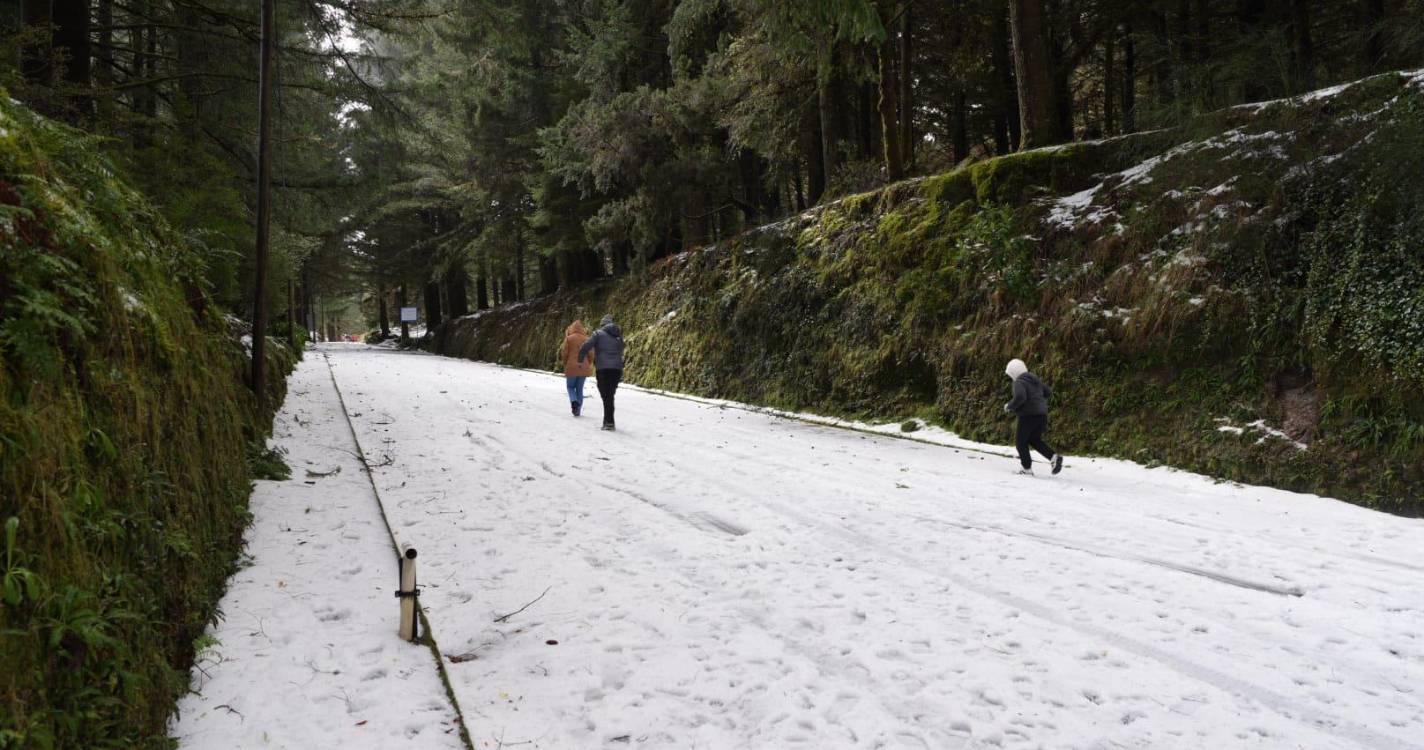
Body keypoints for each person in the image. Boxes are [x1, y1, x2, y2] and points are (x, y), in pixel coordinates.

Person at [1004, 358, 1064, 476]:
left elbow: (1020, 397)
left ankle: (1026, 468)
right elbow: (1048, 392)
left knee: (1021, 442)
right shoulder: (1035, 380)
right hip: (1041, 415)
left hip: (1028, 415)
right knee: (1034, 440)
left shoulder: (1019, 382)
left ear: (1014, 372)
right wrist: (1037, 401)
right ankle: (1053, 457)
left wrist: (1010, 406)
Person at [579, 314, 625, 431]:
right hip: (616, 369)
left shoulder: (598, 334)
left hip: (603, 368)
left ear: (603, 325)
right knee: (610, 395)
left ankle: (609, 422)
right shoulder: (618, 336)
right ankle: (608, 421)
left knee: (606, 395)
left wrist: (580, 359)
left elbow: (586, 346)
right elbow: (621, 350)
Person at [561, 320, 595, 417]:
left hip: (571, 366)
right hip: (583, 366)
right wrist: (588, 363)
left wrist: (565, 362)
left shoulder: (569, 339)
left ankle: (574, 401)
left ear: (572, 328)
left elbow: (564, 353)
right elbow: (591, 354)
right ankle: (578, 410)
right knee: (579, 389)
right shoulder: (587, 339)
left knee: (570, 387)